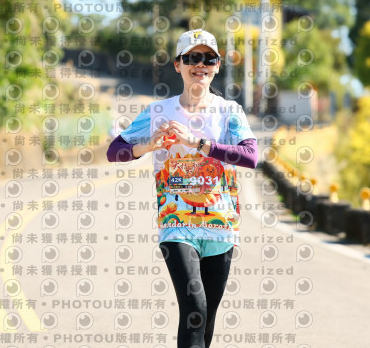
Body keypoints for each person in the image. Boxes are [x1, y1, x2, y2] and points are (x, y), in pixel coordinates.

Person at [106, 28, 258, 348]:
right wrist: (148, 145)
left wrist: (197, 143)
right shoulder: (158, 112)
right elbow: (114, 151)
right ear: (178, 65)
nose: (200, 64)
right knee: (195, 308)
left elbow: (250, 156)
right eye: (192, 58)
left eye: (208, 59)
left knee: (206, 320)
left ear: (217, 66)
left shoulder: (229, 112)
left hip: (220, 225)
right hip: (176, 224)